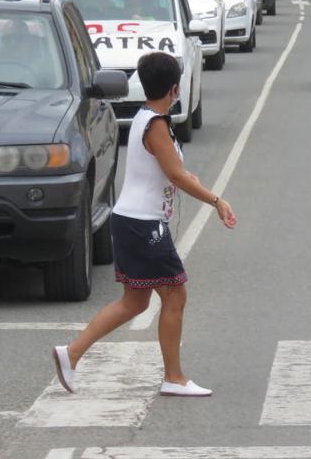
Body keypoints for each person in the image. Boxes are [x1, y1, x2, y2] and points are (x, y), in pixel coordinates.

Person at [52, 52, 237, 398]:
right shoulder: (157, 125)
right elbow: (174, 174)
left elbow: (161, 171)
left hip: (131, 221)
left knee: (134, 302)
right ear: (174, 89)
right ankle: (174, 377)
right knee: (176, 293)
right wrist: (216, 200)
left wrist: (180, 177)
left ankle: (71, 353)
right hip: (143, 224)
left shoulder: (144, 117)